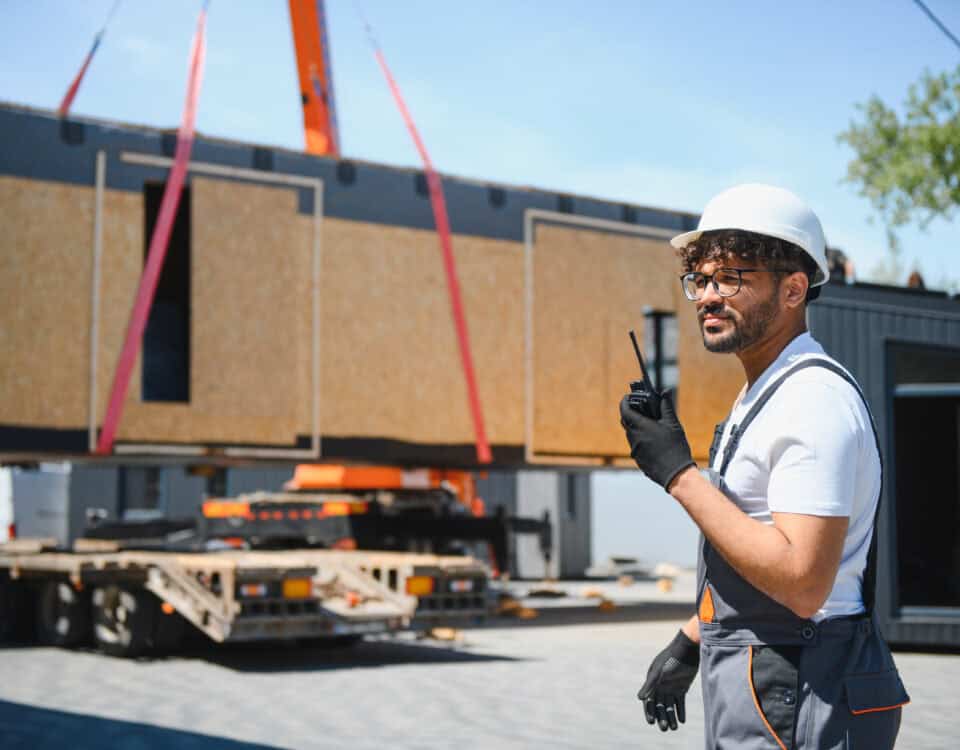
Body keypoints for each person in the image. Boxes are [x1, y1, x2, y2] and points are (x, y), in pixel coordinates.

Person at [619, 184, 909, 749]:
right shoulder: (765, 393)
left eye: (731, 278)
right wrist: (691, 640)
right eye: (699, 279)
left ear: (793, 289)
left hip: (799, 680)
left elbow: (803, 582)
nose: (707, 295)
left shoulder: (812, 401)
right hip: (771, 672)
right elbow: (750, 543)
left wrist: (680, 476)